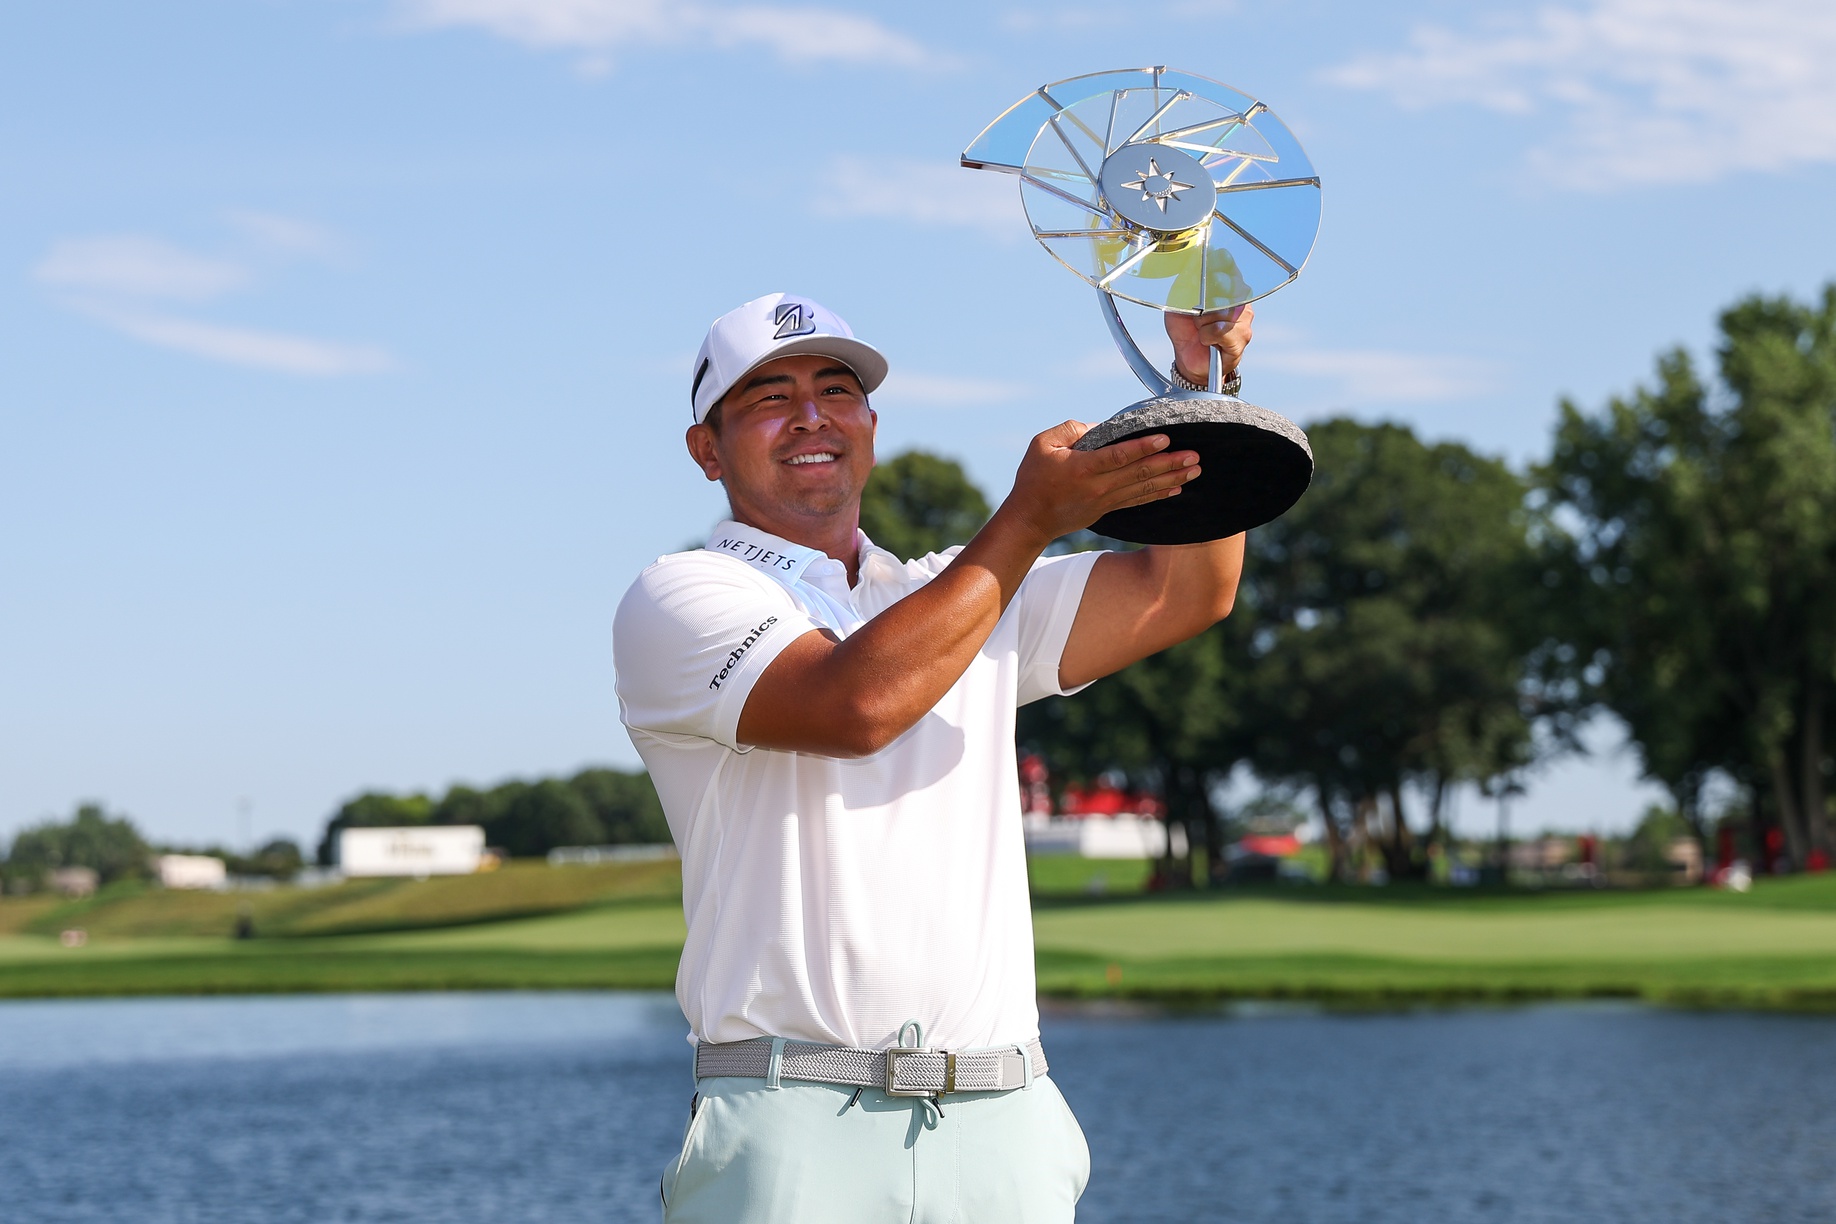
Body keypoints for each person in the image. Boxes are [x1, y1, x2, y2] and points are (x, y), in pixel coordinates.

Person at [613, 292, 1250, 1223]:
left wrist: (1201, 389)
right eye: (767, 397)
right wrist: (1030, 520)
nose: (812, 415)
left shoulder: (952, 592)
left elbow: (1188, 590)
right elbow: (856, 704)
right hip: (798, 1122)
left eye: (838, 390)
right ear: (706, 450)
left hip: (1002, 1121)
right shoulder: (679, 596)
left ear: (870, 425)